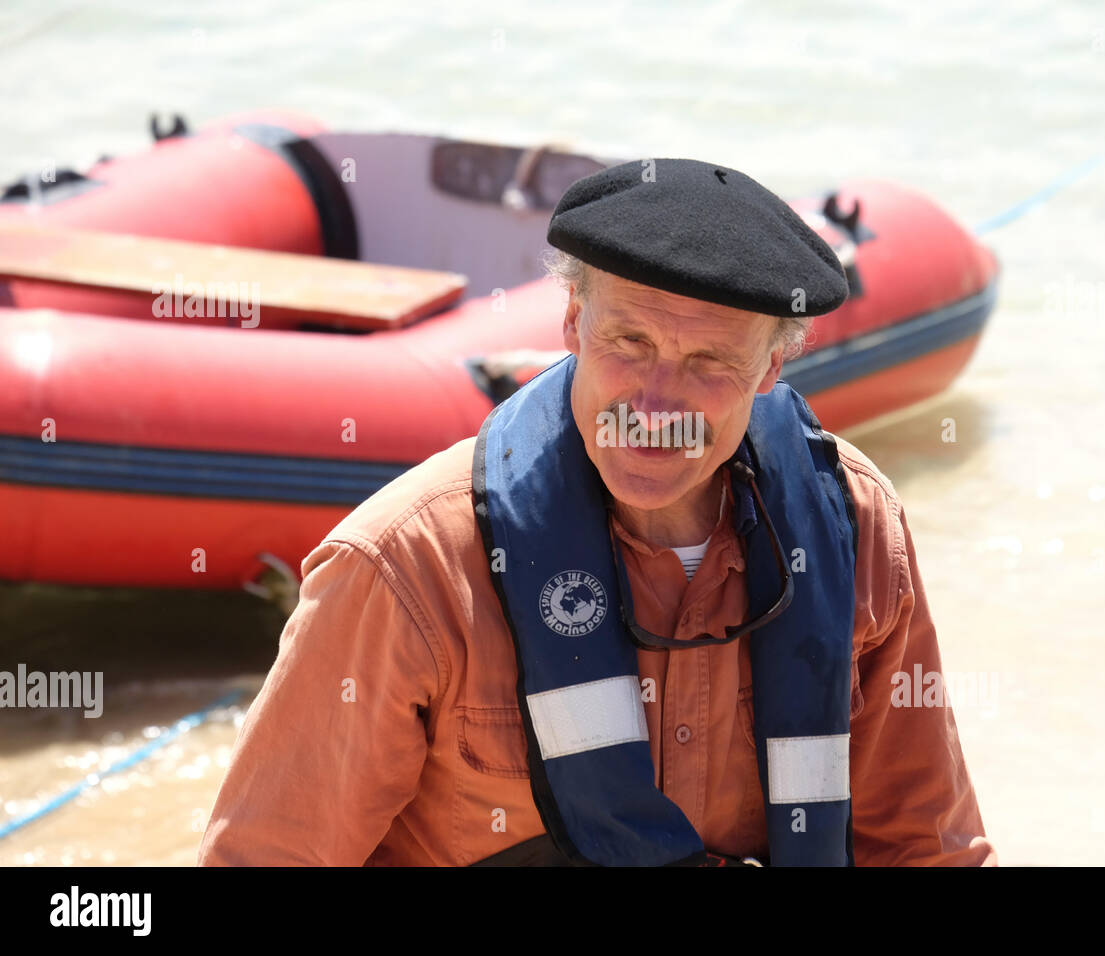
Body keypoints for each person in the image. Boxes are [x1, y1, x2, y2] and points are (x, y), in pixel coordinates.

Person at [198, 158, 996, 866]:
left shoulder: (855, 527)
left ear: (772, 367)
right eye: (630, 343)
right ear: (572, 322)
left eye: (709, 361)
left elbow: (925, 846)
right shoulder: (404, 568)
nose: (655, 405)